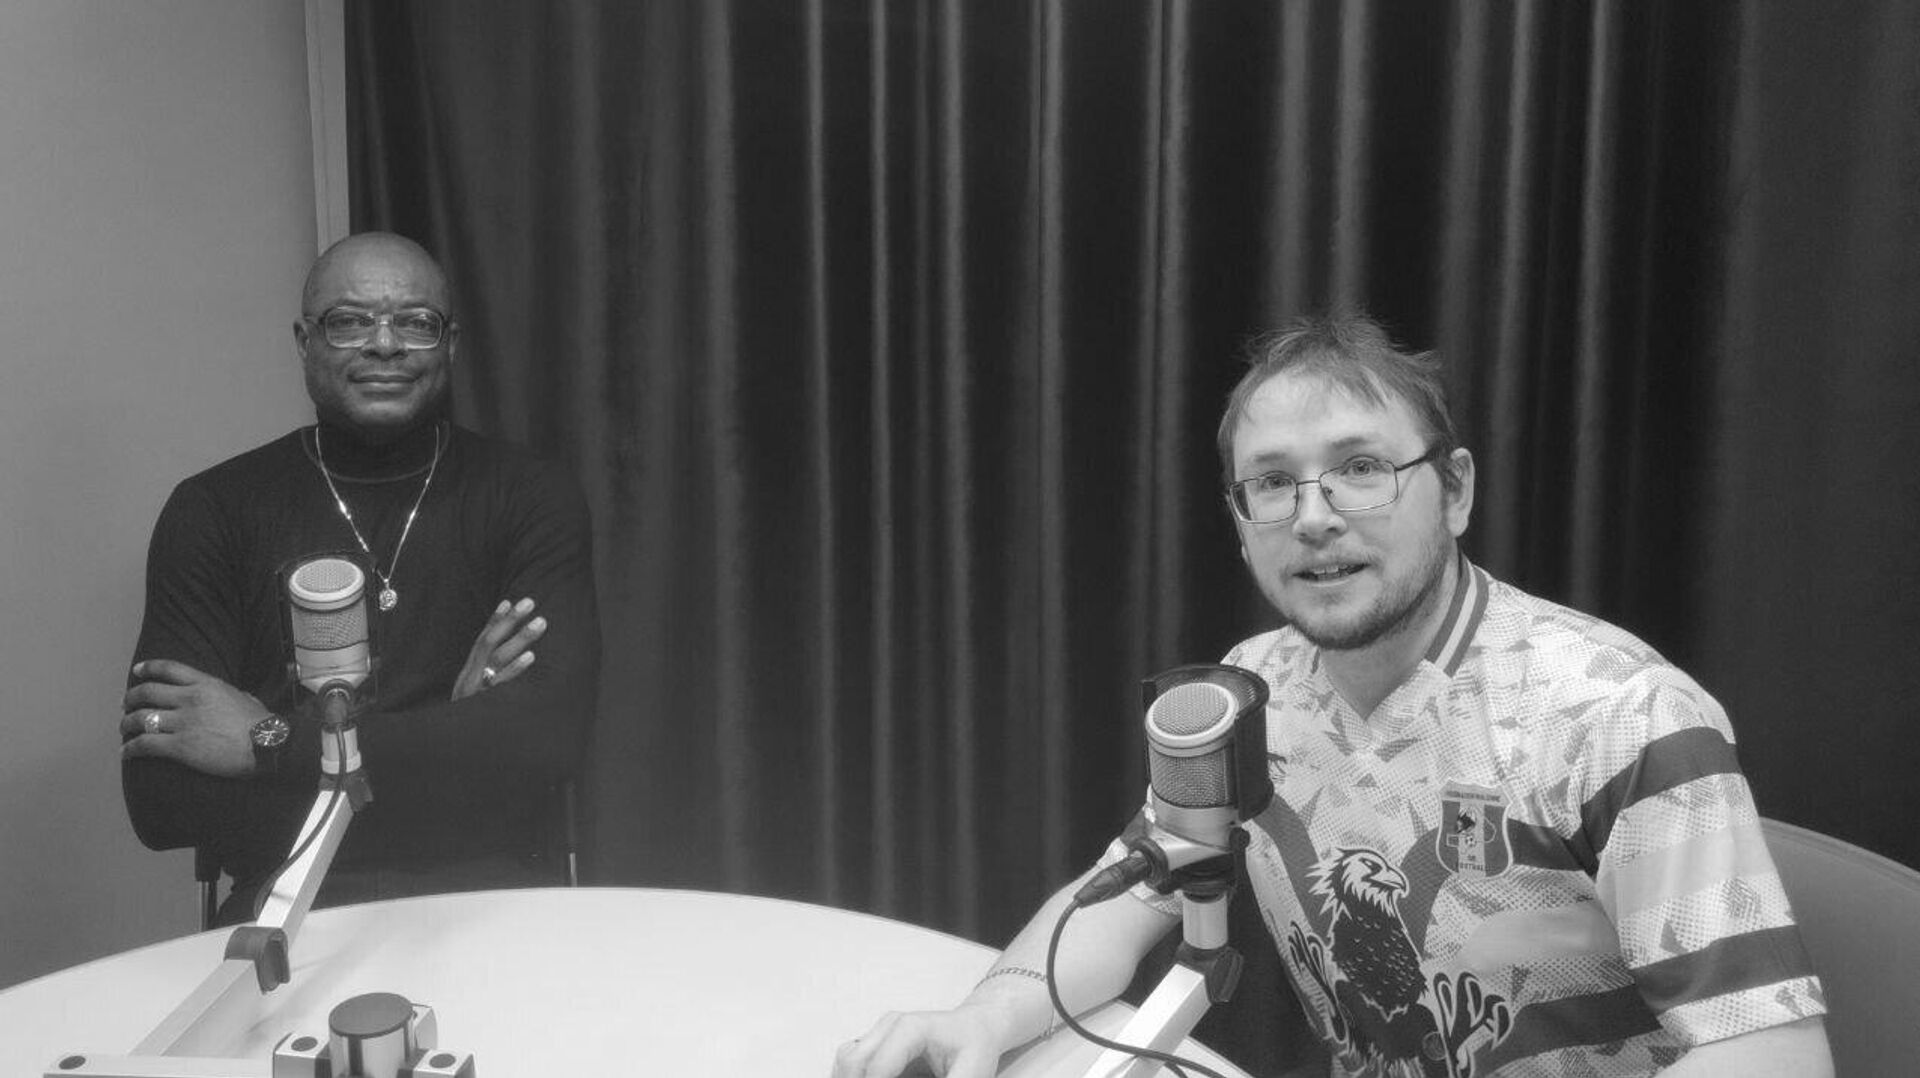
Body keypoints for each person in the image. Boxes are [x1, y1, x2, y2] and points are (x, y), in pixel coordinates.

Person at [833, 314, 1831, 1077]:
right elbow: (1134, 889)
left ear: (1455, 490)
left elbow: (1775, 1057)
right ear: (1240, 522)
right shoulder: (1252, 692)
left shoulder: (1618, 714)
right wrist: (983, 1018)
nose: (1314, 516)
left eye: (1360, 468)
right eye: (1273, 483)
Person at [119, 232, 600, 925]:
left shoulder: (529, 496)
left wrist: (266, 742)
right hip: (285, 907)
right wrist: (455, 737)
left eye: (416, 322)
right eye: (349, 321)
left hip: (494, 900)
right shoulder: (214, 510)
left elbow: (546, 747)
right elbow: (162, 803)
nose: (385, 345)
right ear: (304, 342)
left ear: (451, 344)